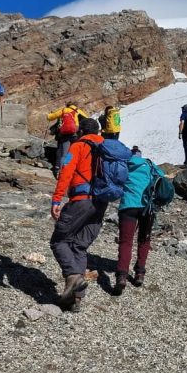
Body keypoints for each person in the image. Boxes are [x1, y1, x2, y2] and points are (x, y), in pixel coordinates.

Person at [50, 117, 108, 312]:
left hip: (81, 200)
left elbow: (66, 172)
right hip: (101, 203)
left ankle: (73, 276)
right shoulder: (107, 147)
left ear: (81, 131)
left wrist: (57, 199)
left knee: (59, 241)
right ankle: (75, 300)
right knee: (80, 247)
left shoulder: (77, 146)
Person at [113, 149, 157, 295]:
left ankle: (122, 276)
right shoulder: (150, 165)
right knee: (144, 240)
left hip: (128, 206)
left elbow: (116, 180)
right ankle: (140, 274)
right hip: (147, 207)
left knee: (126, 241)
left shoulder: (125, 165)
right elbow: (161, 179)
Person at [47, 103, 88, 177]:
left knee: (64, 154)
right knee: (72, 153)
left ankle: (60, 172)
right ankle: (70, 170)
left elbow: (51, 117)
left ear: (67, 106)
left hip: (65, 135)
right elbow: (87, 119)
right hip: (75, 135)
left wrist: (49, 115)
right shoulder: (78, 111)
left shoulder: (64, 110)